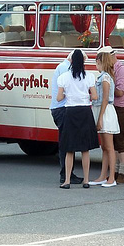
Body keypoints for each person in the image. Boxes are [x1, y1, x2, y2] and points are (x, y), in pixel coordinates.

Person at [56, 49, 98, 189]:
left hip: (70, 112)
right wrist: (85, 95)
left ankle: (67, 180)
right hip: (85, 111)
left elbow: (59, 98)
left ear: (71, 61)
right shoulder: (89, 76)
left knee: (69, 149)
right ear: (84, 61)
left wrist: (68, 94)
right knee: (85, 149)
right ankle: (86, 180)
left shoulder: (64, 77)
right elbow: (95, 96)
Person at [50, 51, 84, 184]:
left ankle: (68, 173)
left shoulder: (62, 67)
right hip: (63, 109)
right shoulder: (65, 69)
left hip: (59, 109)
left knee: (67, 141)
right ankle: (65, 174)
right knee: (66, 142)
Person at [88, 50, 120, 187]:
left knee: (109, 146)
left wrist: (100, 118)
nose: (96, 65)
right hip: (102, 111)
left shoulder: (105, 78)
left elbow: (106, 99)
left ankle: (111, 177)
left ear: (100, 62)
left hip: (105, 113)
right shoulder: (104, 77)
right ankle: (103, 176)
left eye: (97, 62)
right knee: (104, 147)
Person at [109, 46, 124, 184]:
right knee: (115, 140)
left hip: (123, 107)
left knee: (121, 140)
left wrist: (105, 89)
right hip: (114, 106)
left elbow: (120, 92)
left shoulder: (123, 70)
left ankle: (122, 172)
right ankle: (117, 171)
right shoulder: (113, 69)